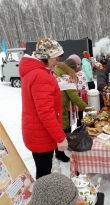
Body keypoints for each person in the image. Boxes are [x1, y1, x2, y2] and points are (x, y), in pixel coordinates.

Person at [19, 38, 68, 179]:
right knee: (44, 174)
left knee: (42, 170)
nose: (58, 62)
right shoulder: (41, 76)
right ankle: (43, 199)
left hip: (36, 132)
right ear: (46, 57)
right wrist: (60, 138)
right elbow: (46, 113)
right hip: (41, 135)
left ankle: (43, 197)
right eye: (56, 58)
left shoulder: (33, 72)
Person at [54, 58, 90, 134]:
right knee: (65, 134)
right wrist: (89, 109)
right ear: (70, 69)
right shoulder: (66, 78)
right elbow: (75, 99)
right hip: (63, 110)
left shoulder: (56, 72)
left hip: (55, 110)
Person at [69, 54, 88, 127]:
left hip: (80, 98)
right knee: (77, 116)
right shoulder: (73, 73)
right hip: (75, 98)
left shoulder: (80, 74)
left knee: (79, 117)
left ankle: (79, 131)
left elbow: (81, 87)